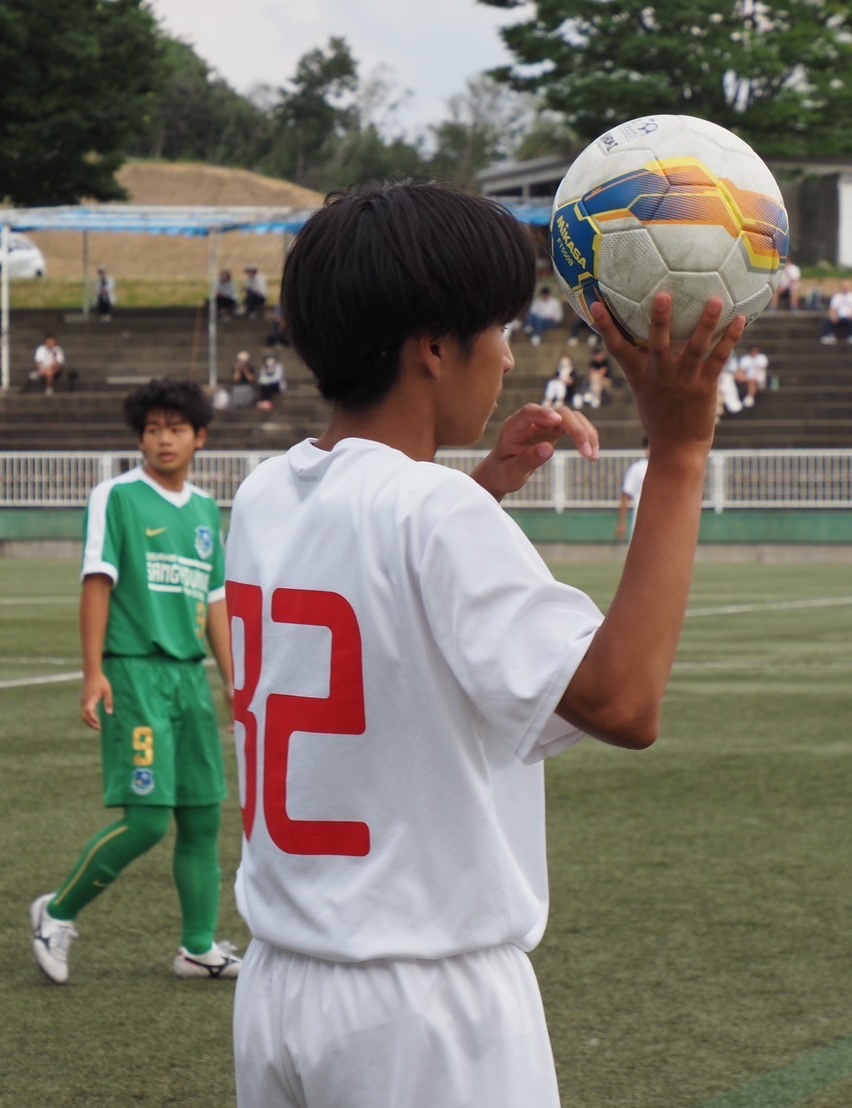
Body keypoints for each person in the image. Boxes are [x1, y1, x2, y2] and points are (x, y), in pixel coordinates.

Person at [225, 180, 740, 1108]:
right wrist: (677, 453)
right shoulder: (434, 511)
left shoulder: (266, 493)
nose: (507, 356)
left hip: (280, 989)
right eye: (498, 330)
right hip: (424, 1008)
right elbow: (622, 701)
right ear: (432, 347)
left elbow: (374, 575)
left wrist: (478, 487)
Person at [30, 378, 241, 986]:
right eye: (152, 430)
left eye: (176, 429)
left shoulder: (205, 511)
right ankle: (56, 913)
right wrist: (93, 672)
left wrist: (233, 682)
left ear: (200, 437)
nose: (163, 439)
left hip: (188, 680)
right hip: (134, 673)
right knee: (148, 819)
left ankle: (197, 947)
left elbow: (215, 601)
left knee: (202, 817)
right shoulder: (116, 497)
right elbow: (97, 580)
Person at [615, 440, 649, 540]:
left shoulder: (667, 468)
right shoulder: (637, 468)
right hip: (641, 518)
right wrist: (622, 523)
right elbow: (626, 496)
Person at [734, 343, 769, 407]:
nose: (754, 352)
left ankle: (750, 398)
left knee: (752, 382)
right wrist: (742, 376)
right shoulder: (745, 358)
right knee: (738, 376)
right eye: (753, 350)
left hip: (758, 379)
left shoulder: (762, 358)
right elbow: (741, 370)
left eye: (756, 350)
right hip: (747, 378)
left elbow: (760, 370)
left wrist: (753, 378)